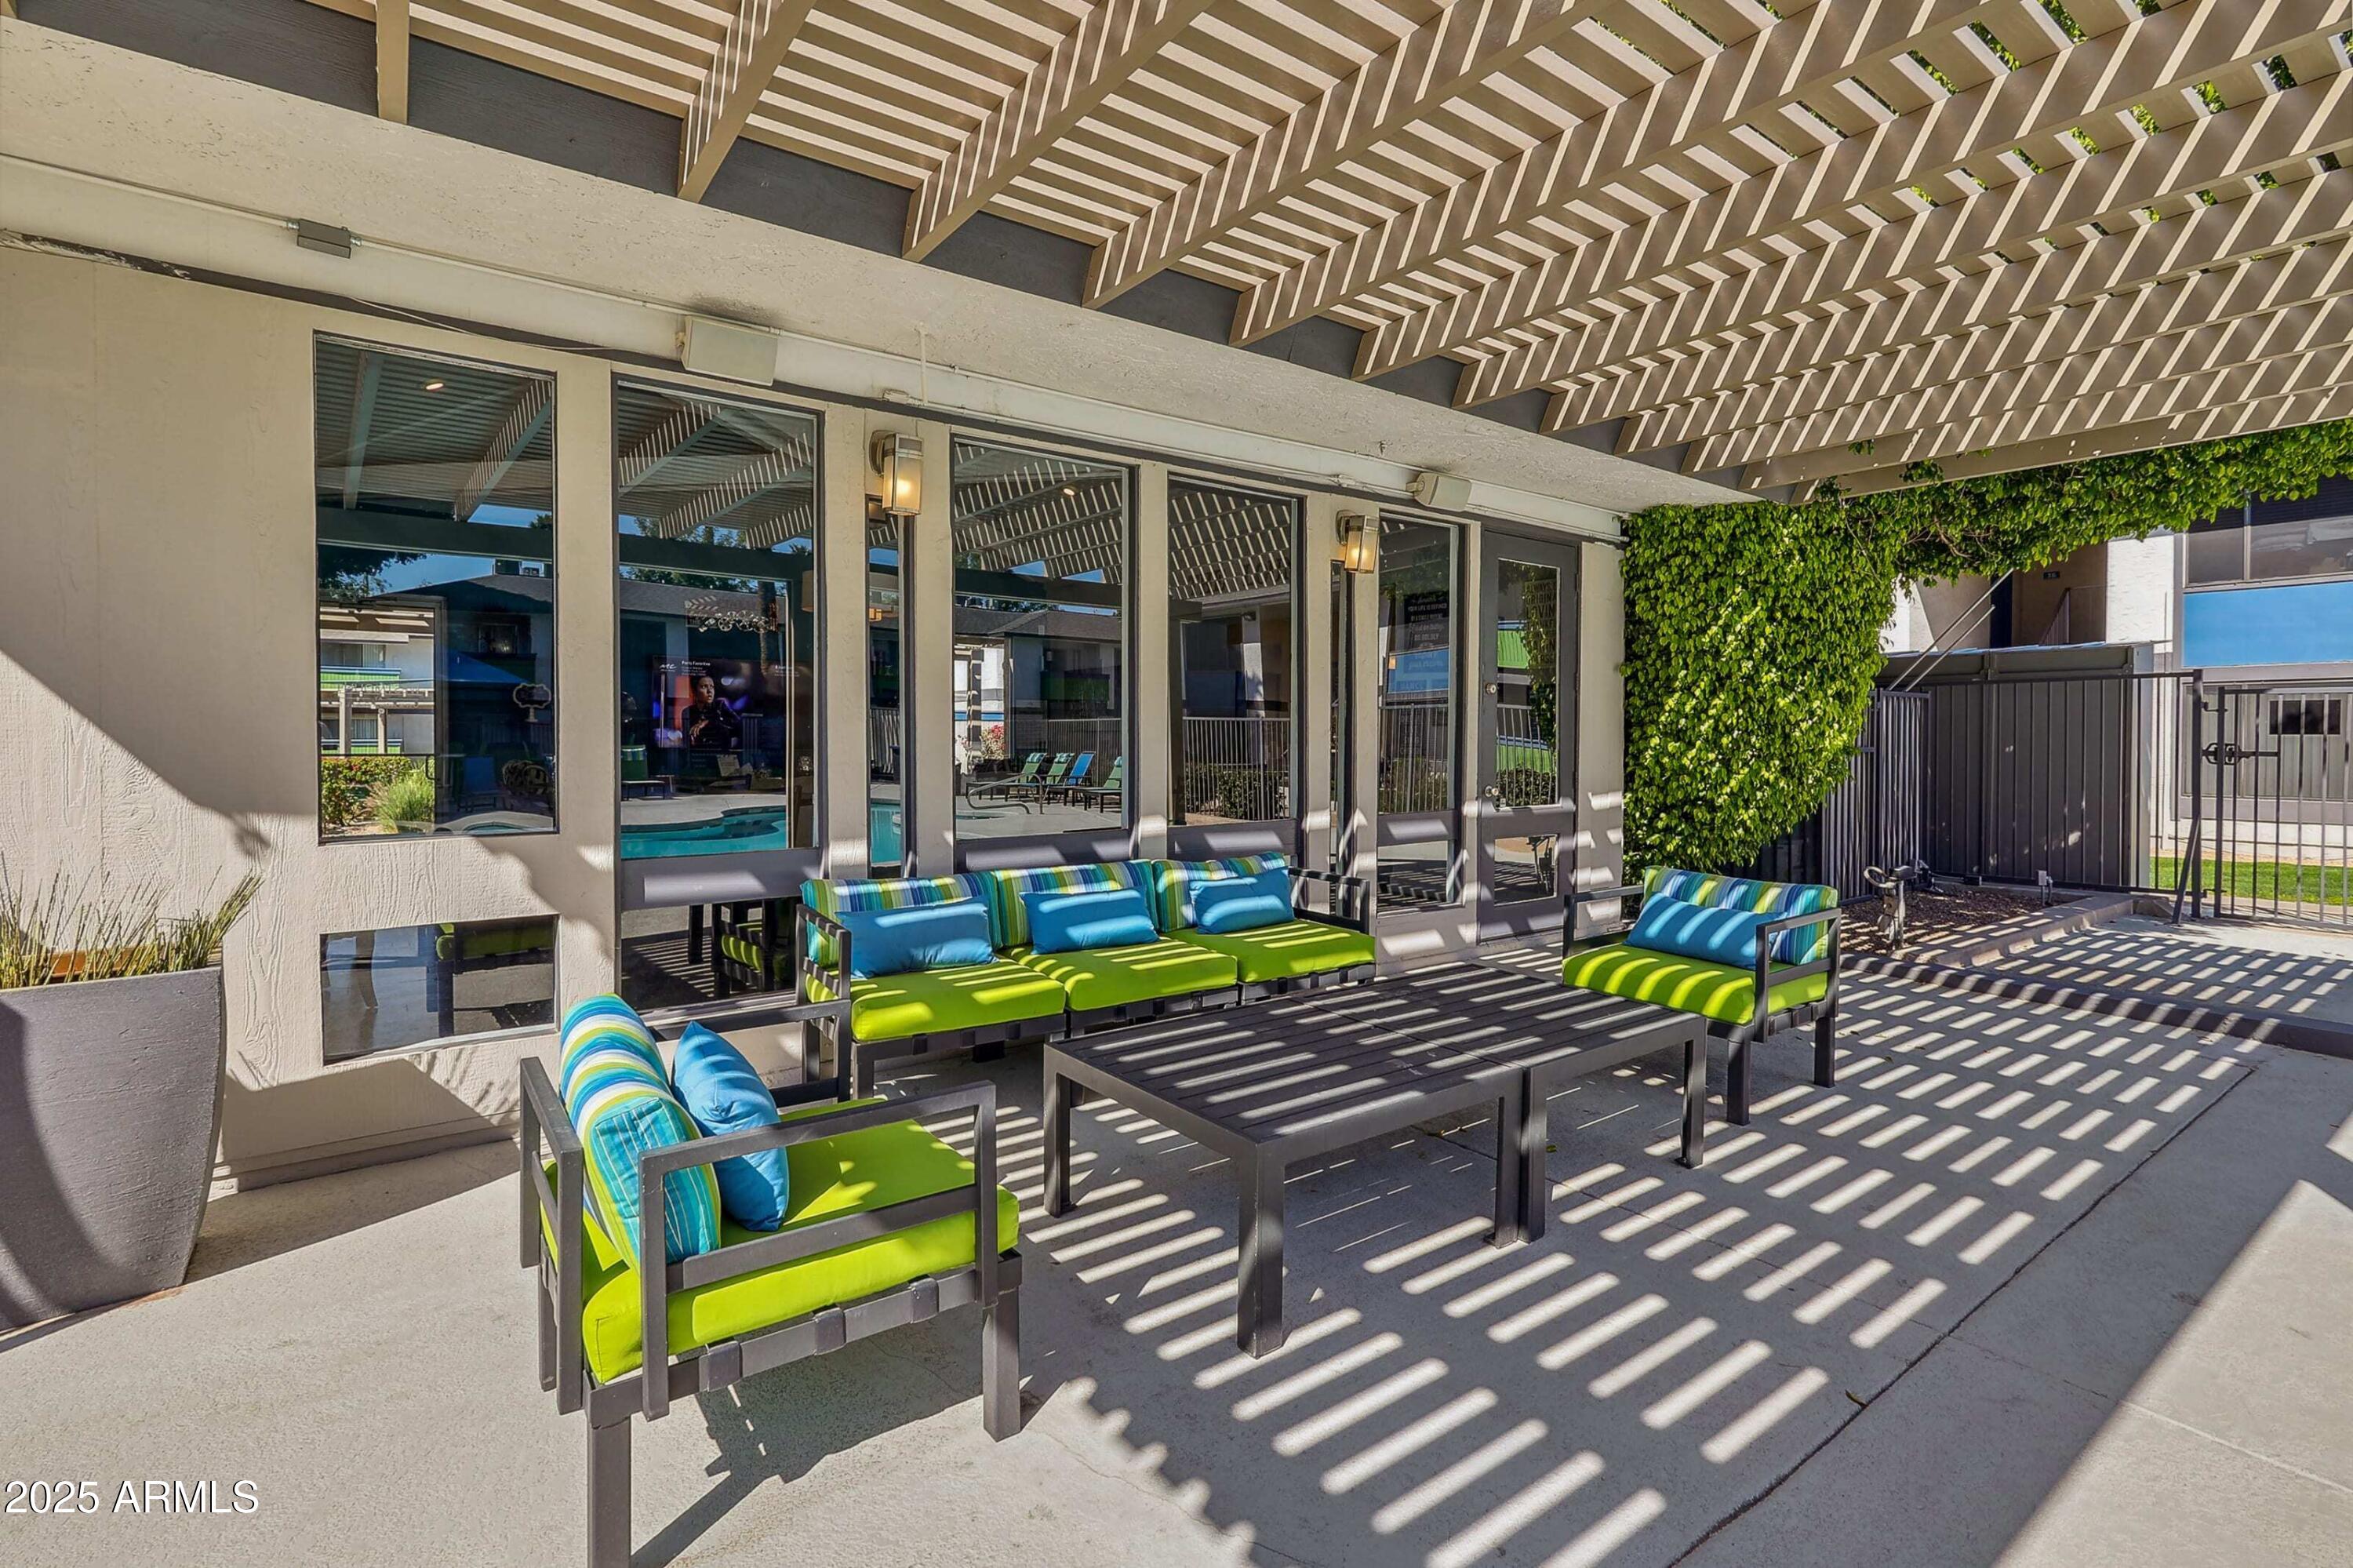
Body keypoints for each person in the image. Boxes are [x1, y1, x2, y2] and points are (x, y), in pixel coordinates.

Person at [681, 672, 740, 751]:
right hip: (698, 754)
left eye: (712, 687)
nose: (709, 691)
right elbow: (686, 742)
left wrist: (709, 722)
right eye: (704, 687)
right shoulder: (688, 711)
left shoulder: (720, 706)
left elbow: (738, 724)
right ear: (695, 692)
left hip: (720, 753)